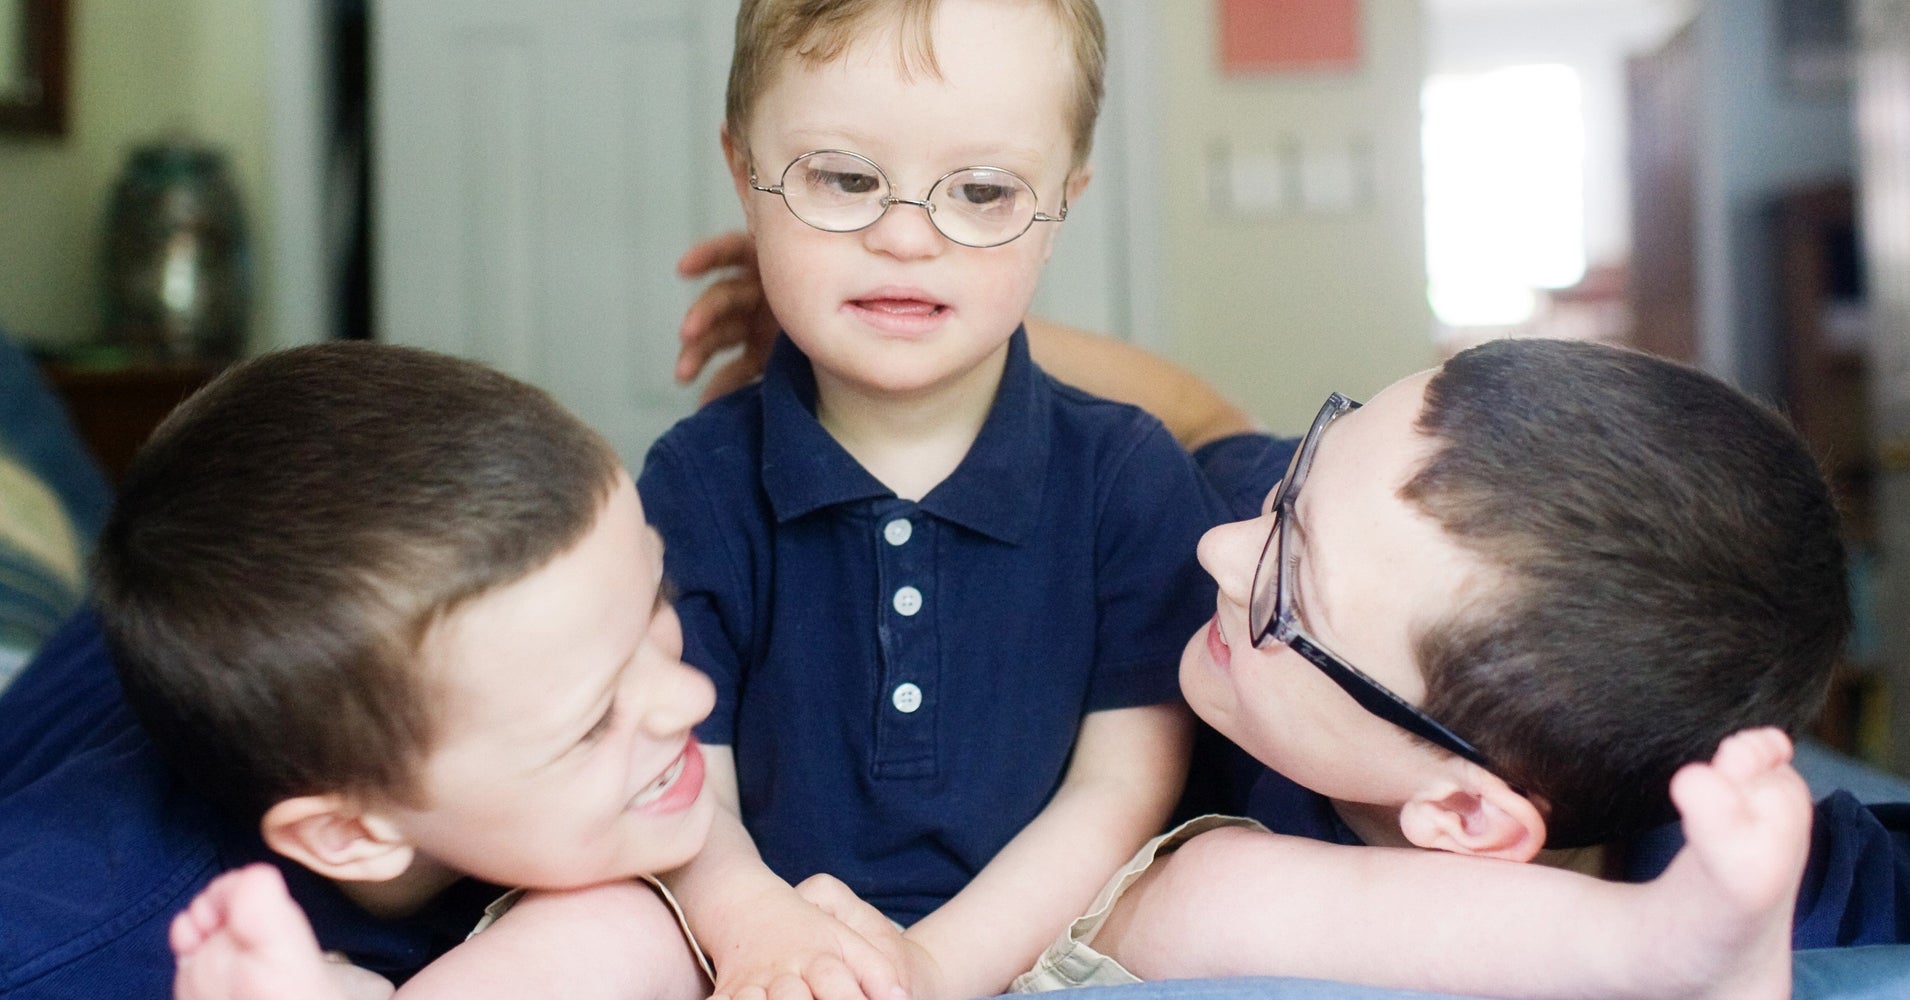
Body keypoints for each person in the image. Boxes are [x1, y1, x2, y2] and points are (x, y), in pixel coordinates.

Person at [635, 3, 1224, 999]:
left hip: (1054, 937)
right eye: (844, 178)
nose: (904, 236)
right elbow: (679, 779)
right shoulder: (694, 482)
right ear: (743, 174)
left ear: (1062, 207)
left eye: (984, 191)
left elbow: (1120, 785)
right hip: (747, 939)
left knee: (1229, 883)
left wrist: (934, 966)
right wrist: (758, 929)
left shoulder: (1128, 474)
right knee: (588, 922)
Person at [0, 342, 769, 1000]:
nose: (692, 696)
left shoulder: (498, 710)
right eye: (595, 722)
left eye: (656, 600)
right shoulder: (71, 945)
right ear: (350, 834)